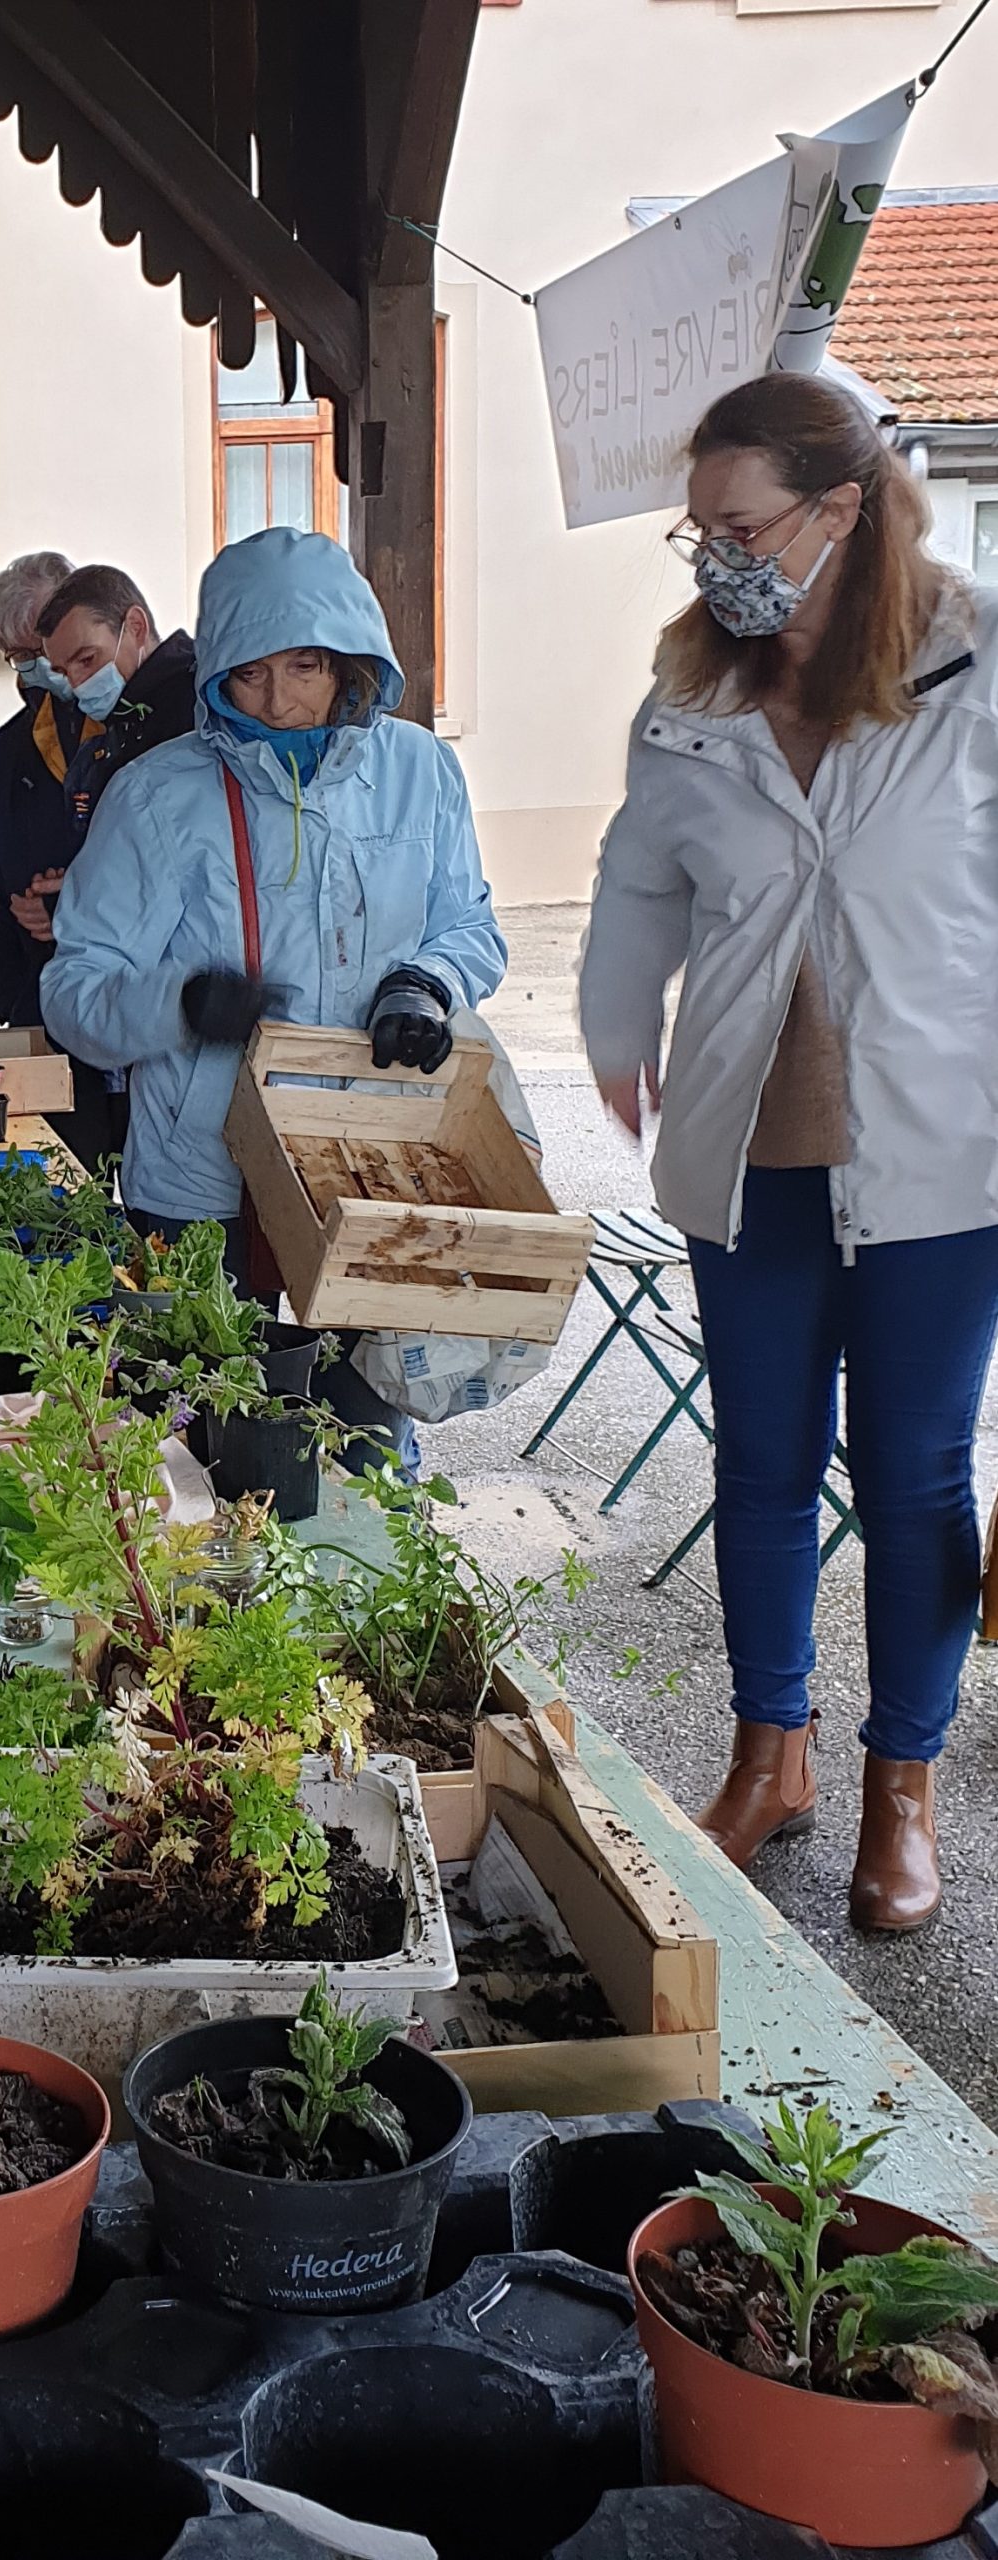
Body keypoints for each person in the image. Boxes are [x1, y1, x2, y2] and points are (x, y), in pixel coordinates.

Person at [580, 372, 998, 1936]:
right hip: (747, 1145)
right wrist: (617, 1026)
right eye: (698, 532)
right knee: (755, 1464)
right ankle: (771, 1752)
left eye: (738, 525)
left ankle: (903, 1782)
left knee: (908, 1478)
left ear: (842, 506)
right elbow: (634, 885)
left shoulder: (976, 661)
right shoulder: (687, 694)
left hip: (940, 1153)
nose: (716, 561)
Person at [41, 525, 505, 1450]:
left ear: (348, 663)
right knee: (210, 1446)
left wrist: (424, 985)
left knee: (366, 1442)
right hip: (203, 1186)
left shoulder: (418, 771)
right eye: (248, 675)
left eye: (302, 668)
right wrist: (175, 1004)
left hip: (371, 1171)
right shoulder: (157, 795)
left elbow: (471, 926)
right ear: (214, 675)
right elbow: (75, 987)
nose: (278, 702)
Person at [0, 552, 197, 1170]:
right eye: (24, 658)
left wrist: (80, 901)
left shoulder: (171, 721)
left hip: (166, 1032)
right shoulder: (1, 760)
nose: (49, 671)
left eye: (58, 650)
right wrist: (19, 1003)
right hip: (57, 1023)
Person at [37, 560, 198, 840]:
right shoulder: (123, 720)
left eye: (87, 659)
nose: (77, 684)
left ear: (136, 627)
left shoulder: (201, 701)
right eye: (63, 672)